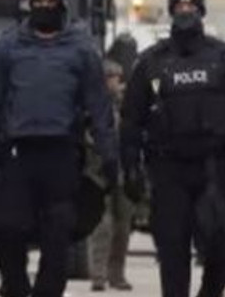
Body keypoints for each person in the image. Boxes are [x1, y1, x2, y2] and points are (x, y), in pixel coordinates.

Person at [0, 0, 117, 297]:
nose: (44, 8)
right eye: (39, 3)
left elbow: (99, 106)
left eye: (50, 3)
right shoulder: (8, 46)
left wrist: (109, 155)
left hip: (61, 154)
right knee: (6, 227)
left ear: (62, 7)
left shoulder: (81, 49)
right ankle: (16, 285)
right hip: (18, 155)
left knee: (58, 233)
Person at [121, 0, 225, 297]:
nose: (185, 12)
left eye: (191, 7)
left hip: (217, 169)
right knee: (172, 250)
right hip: (169, 171)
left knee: (221, 247)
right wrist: (130, 165)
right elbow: (131, 119)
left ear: (201, 11)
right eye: (180, 7)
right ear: (171, 12)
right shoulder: (151, 62)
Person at [90, 54, 133, 293]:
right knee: (102, 225)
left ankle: (117, 274)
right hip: (98, 171)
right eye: (110, 78)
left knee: (123, 226)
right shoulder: (93, 105)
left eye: (116, 78)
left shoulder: (127, 105)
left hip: (122, 171)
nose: (114, 83)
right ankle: (99, 275)